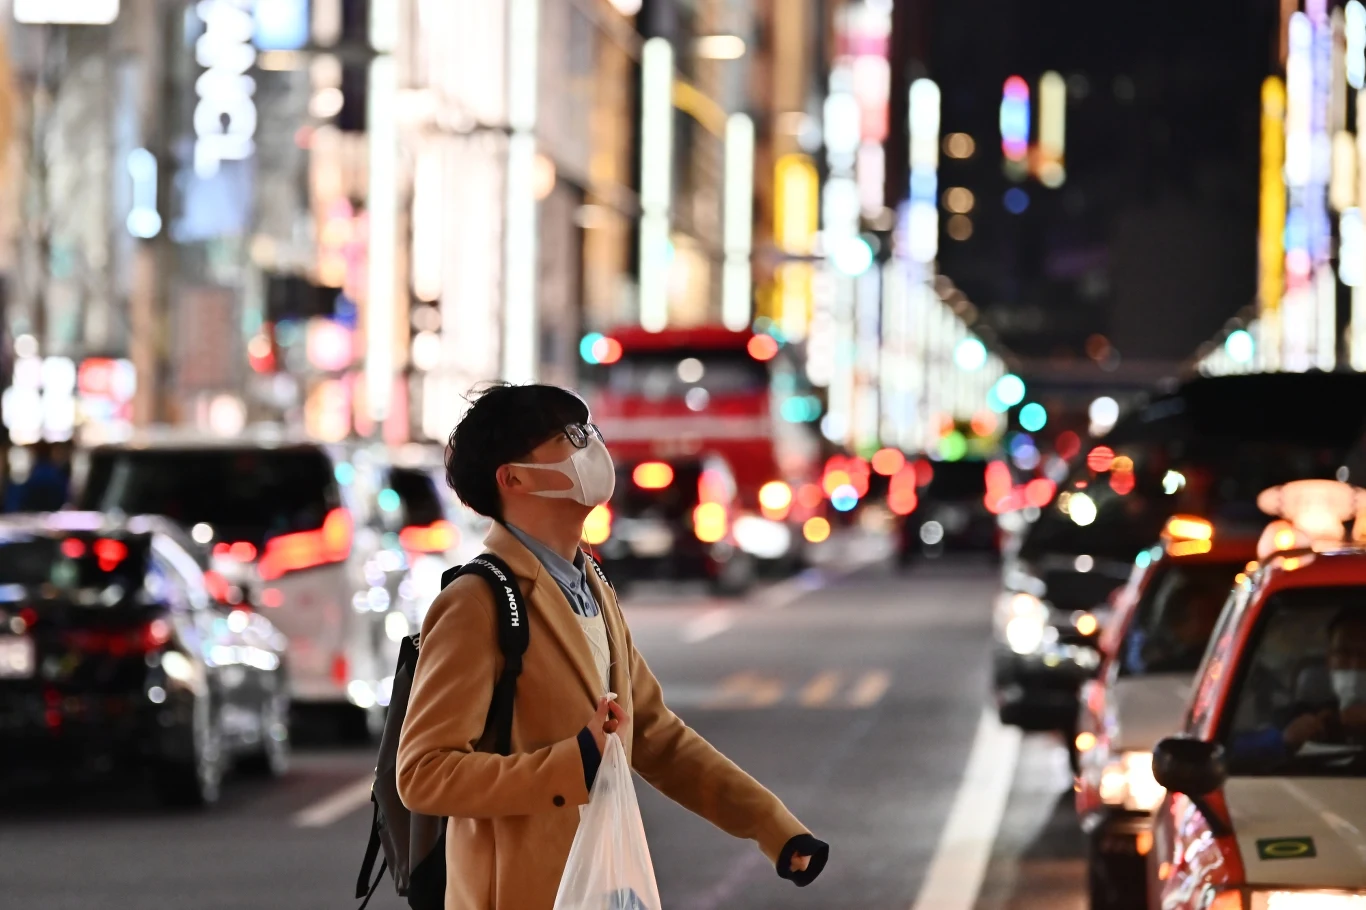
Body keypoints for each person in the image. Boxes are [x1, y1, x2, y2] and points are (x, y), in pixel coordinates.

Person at [396, 384, 828, 910]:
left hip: (604, 888)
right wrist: (571, 763)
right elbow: (423, 773)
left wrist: (773, 828)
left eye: (589, 431)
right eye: (569, 437)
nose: (591, 446)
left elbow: (653, 734)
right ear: (512, 478)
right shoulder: (478, 602)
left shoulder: (590, 583)